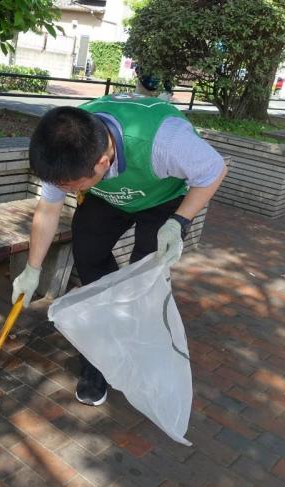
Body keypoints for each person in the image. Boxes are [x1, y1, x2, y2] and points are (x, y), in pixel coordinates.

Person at [12, 94, 226, 406]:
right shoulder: (63, 144)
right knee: (87, 252)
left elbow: (213, 170)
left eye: (72, 186)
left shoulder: (164, 140)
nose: (66, 191)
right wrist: (32, 269)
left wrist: (179, 220)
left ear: (101, 162)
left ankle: (135, 340)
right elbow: (48, 209)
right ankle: (102, 349)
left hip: (162, 198)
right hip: (107, 197)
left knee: (146, 275)